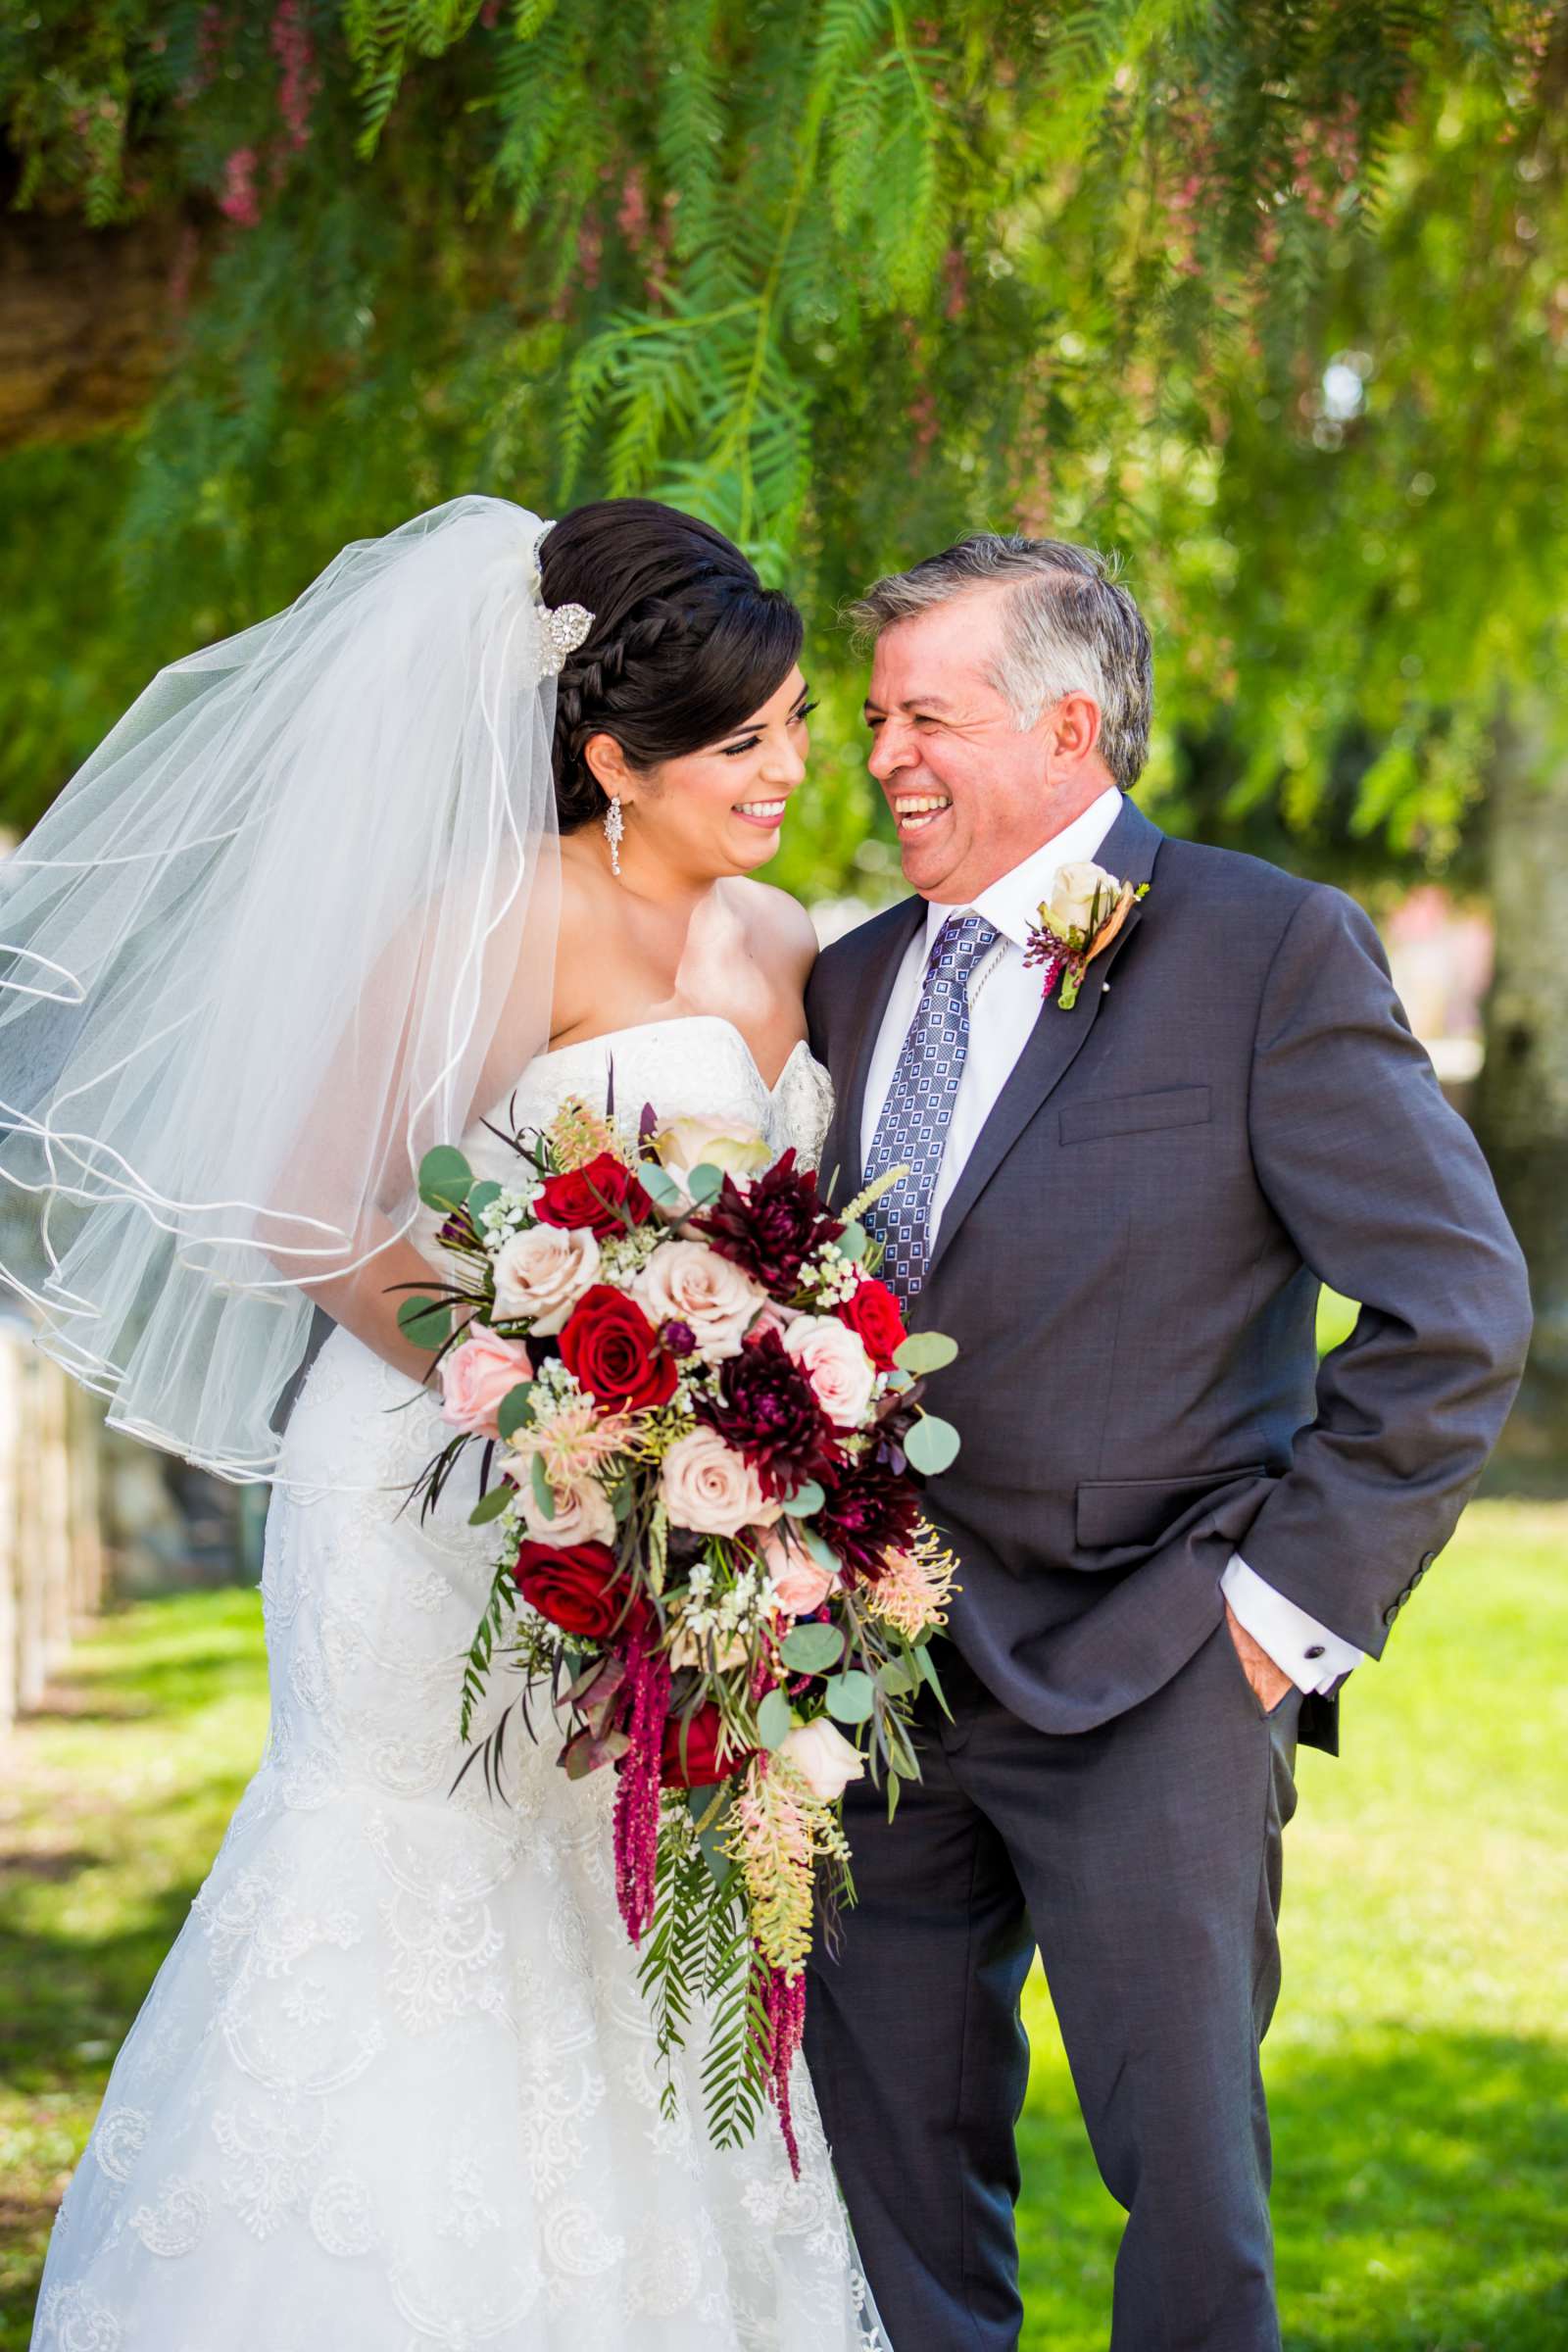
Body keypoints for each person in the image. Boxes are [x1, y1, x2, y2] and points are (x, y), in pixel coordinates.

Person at [2, 496, 881, 2351]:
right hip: (424, 1502)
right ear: (610, 758)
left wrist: (721, 1460)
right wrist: (546, 1400)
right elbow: (312, 1214)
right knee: (405, 1878)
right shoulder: (494, 922)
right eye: (750, 738)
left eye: (798, 722)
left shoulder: (782, 940)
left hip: (662, 1525)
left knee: (608, 1894)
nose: (797, 765)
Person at [803, 532, 1533, 2352]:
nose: (884, 755)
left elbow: (1456, 1312)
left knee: (1189, 2200)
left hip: (1156, 1665)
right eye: (875, 715)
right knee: (888, 2182)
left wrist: (1272, 1623)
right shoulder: (850, 979)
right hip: (868, 1682)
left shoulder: (1264, 946)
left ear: (1069, 728)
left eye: (928, 716)